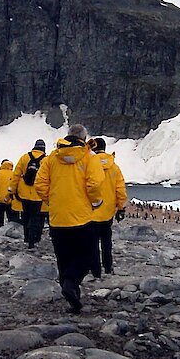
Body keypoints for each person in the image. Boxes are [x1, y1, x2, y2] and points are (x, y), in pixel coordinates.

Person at [35, 124, 104, 314]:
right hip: (82, 217)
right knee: (87, 255)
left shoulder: (51, 159)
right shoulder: (90, 158)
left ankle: (73, 298)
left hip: (57, 218)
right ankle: (71, 283)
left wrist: (52, 200)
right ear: (84, 137)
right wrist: (96, 202)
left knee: (64, 258)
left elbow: (40, 184)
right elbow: (95, 183)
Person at [88, 138, 128, 277]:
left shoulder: (88, 164)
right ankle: (108, 266)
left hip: (91, 210)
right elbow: (120, 189)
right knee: (106, 240)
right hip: (108, 212)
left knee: (92, 242)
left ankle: (95, 270)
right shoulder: (114, 167)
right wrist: (121, 208)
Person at [11, 139, 48, 249]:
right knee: (36, 217)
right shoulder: (46, 160)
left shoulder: (24, 157)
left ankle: (26, 238)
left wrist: (12, 191)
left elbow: (16, 175)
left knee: (26, 215)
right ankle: (34, 240)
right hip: (38, 194)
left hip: (24, 193)